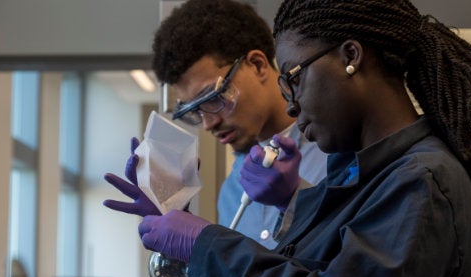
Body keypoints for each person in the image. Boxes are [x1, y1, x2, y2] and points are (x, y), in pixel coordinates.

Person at [124, 0, 471, 277]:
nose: (292, 105)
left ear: (350, 57)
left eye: (294, 79)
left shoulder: (422, 181)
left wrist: (206, 246)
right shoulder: (367, 177)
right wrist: (294, 203)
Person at [102, 0, 327, 249]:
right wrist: (192, 254)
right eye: (195, 110)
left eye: (215, 97)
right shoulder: (233, 190)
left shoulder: (335, 152)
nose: (209, 124)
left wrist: (297, 200)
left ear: (257, 65)